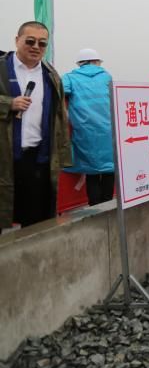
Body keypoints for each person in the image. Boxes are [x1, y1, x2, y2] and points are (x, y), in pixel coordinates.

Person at [0, 21, 71, 228]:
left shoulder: (50, 74)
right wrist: (8, 103)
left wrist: (64, 153)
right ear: (17, 40)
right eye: (30, 41)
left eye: (42, 43)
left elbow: (60, 115)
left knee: (36, 221)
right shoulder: (3, 68)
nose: (36, 47)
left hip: (38, 159)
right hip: (5, 158)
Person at [62, 49, 114, 206]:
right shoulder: (107, 76)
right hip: (108, 130)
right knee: (109, 169)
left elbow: (59, 92)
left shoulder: (70, 77)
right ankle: (108, 207)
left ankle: (95, 207)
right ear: (96, 62)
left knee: (91, 171)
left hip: (85, 131)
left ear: (80, 64)